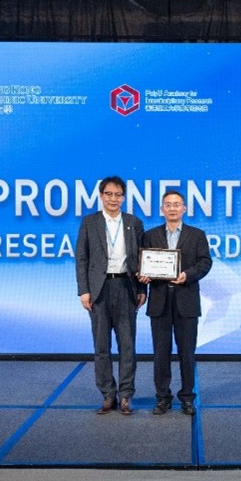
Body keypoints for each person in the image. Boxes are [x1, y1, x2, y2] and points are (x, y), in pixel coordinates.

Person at [75, 176, 147, 415]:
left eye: (118, 195)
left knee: (127, 345)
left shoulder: (134, 223)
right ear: (101, 196)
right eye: (109, 194)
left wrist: (141, 289)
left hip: (126, 287)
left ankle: (125, 395)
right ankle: (108, 394)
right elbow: (82, 258)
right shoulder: (90, 222)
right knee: (101, 346)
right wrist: (84, 290)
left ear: (123, 197)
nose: (113, 199)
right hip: (99, 289)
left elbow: (142, 259)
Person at [138, 191, 212, 416]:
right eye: (168, 205)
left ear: (184, 209)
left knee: (187, 353)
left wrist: (187, 275)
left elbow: (205, 263)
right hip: (159, 301)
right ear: (162, 209)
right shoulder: (150, 235)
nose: (172, 208)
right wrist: (143, 276)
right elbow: (142, 263)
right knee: (160, 353)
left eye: (177, 204)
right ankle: (162, 398)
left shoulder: (197, 235)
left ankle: (187, 397)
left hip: (186, 300)